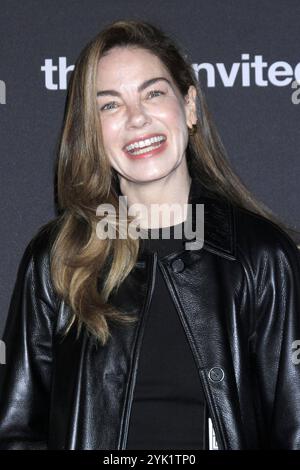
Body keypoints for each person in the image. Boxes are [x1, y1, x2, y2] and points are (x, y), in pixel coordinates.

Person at [0, 18, 300, 451]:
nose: (137, 119)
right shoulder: (57, 259)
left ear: (190, 106)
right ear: (91, 132)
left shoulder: (263, 257)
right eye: (109, 105)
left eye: (153, 93)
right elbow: (16, 432)